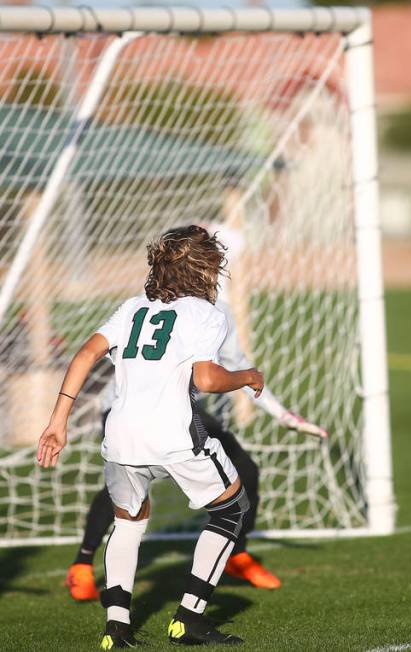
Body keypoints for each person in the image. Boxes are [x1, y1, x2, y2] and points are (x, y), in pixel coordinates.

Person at [38, 226, 262, 646]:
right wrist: (248, 376)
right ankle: (189, 619)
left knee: (128, 523)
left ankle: (116, 628)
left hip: (120, 438)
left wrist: (58, 421)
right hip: (174, 437)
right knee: (232, 509)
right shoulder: (205, 313)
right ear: (204, 268)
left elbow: (85, 353)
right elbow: (208, 379)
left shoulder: (132, 308)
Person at [65, 280, 326, 601]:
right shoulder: (148, 305)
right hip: (126, 406)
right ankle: (83, 565)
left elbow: (235, 367)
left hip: (170, 407)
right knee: (130, 487)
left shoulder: (211, 313)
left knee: (244, 466)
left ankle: (235, 554)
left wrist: (282, 414)